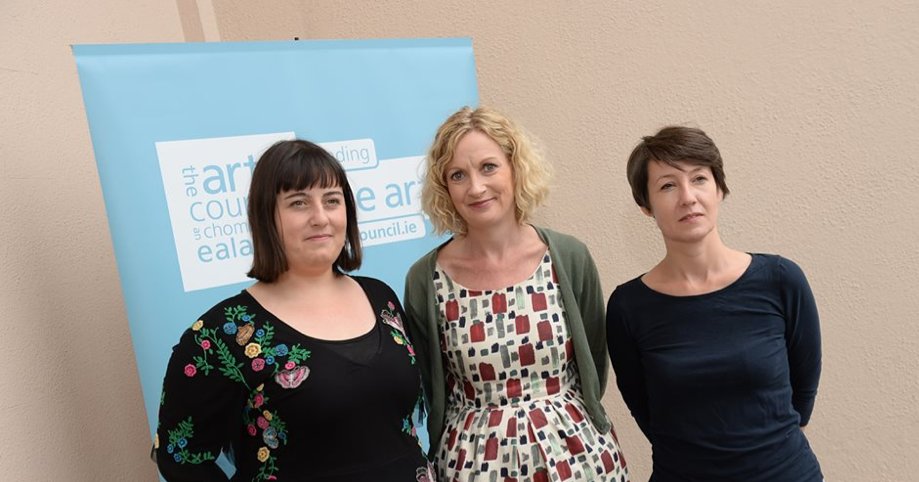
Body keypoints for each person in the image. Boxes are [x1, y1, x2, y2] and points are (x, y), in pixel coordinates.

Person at [154, 140, 435, 481]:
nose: (321, 217)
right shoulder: (222, 334)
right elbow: (180, 458)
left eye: (332, 200)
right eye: (298, 203)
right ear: (265, 216)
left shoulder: (381, 298)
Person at [404, 106, 629, 481]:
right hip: (473, 465)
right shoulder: (425, 279)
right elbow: (430, 380)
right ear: (444, 187)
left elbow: (594, 357)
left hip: (578, 458)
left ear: (515, 168)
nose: (476, 187)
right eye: (458, 175)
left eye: (488, 167)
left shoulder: (568, 257)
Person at [607, 126, 823, 481]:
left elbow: (803, 393)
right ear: (645, 206)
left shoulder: (781, 280)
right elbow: (645, 410)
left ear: (719, 189)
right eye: (667, 185)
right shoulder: (628, 307)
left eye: (699, 179)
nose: (688, 197)